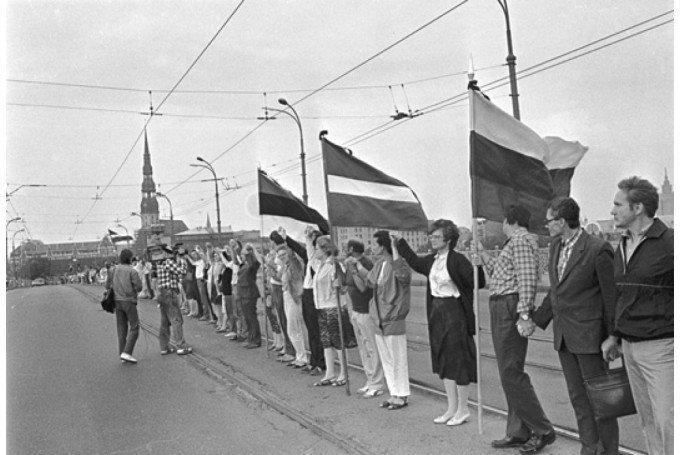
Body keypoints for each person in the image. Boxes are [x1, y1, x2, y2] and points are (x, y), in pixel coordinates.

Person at [532, 197, 619, 454]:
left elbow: (610, 297)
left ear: (561, 221)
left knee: (600, 402)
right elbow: (556, 293)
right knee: (579, 400)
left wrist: (613, 336)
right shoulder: (556, 247)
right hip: (565, 338)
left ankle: (609, 450)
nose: (545, 226)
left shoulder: (597, 248)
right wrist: (535, 320)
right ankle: (589, 448)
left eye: (548, 221)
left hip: (591, 339)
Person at [602, 176, 673, 455]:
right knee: (649, 422)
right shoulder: (622, 244)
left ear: (638, 208)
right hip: (629, 348)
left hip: (661, 348)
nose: (613, 211)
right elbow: (623, 296)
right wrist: (614, 335)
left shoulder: (669, 244)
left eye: (618, 204)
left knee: (670, 423)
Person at [478, 205, 555, 453]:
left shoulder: (520, 241)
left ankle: (542, 429)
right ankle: (518, 431)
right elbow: (501, 275)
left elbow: (527, 277)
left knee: (511, 372)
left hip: (508, 306)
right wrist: (482, 254)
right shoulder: (515, 244)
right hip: (503, 303)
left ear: (509, 221)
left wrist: (524, 313)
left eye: (502, 221)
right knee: (509, 370)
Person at [396, 219, 483, 426]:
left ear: (448, 239)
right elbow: (415, 262)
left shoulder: (457, 260)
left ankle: (463, 409)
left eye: (436, 236)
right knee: (443, 360)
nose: (432, 239)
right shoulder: (432, 261)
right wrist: (400, 243)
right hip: (436, 313)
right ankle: (451, 408)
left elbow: (477, 282)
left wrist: (477, 261)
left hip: (455, 315)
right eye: (431, 236)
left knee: (459, 361)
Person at [355, 230, 411, 410]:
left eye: (377, 244)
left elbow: (403, 277)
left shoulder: (399, 263)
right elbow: (370, 281)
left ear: (385, 245)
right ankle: (394, 393)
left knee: (397, 358)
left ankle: (402, 395)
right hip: (379, 317)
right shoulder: (379, 264)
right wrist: (356, 266)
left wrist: (395, 249)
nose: (373, 247)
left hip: (393, 316)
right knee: (387, 358)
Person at [311, 236, 356, 387]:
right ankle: (330, 373)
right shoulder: (320, 265)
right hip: (322, 307)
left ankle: (344, 373)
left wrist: (339, 283)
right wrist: (308, 238)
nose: (315, 251)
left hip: (334, 307)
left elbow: (343, 286)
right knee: (326, 342)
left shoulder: (334, 265)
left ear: (324, 249)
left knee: (338, 341)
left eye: (317, 248)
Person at [343, 239, 385, 398]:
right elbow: (346, 285)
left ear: (352, 249)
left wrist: (353, 269)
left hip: (366, 310)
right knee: (362, 347)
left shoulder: (365, 263)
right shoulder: (349, 263)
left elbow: (362, 287)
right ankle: (370, 379)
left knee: (371, 347)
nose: (344, 250)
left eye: (346, 248)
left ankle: (377, 382)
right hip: (355, 309)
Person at [282, 227, 327, 375]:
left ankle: (320, 363)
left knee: (316, 330)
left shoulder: (319, 262)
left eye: (317, 246)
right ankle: (314, 361)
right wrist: (286, 238)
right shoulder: (311, 259)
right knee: (311, 330)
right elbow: (300, 249)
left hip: (315, 294)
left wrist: (309, 239)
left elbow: (307, 250)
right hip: (307, 293)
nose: (314, 249)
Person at [106, 249, 143, 364]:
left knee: (121, 329)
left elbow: (107, 285)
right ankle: (127, 352)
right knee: (135, 326)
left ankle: (122, 353)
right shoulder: (132, 271)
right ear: (130, 258)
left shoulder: (113, 270)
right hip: (129, 301)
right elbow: (139, 287)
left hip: (117, 301)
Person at [156, 247, 193, 356]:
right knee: (176, 319)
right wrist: (183, 260)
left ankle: (164, 347)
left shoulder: (160, 263)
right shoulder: (168, 262)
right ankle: (181, 346)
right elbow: (183, 271)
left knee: (165, 322)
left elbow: (176, 277)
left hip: (162, 293)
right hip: (169, 293)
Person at [277, 245, 309, 367]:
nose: (282, 257)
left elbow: (296, 281)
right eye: (280, 256)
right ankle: (299, 355)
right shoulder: (286, 267)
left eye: (284, 255)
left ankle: (302, 356)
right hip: (286, 295)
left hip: (294, 297)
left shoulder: (294, 265)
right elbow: (279, 276)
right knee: (293, 329)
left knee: (293, 327)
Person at [268, 230, 296, 360]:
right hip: (275, 287)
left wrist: (271, 268)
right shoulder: (274, 253)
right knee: (281, 318)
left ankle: (290, 349)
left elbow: (281, 275)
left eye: (271, 241)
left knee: (285, 319)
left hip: (280, 287)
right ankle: (286, 345)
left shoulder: (280, 253)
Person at [236, 243, 262, 349]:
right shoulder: (244, 265)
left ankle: (256, 340)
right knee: (247, 318)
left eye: (244, 254)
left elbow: (256, 262)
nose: (242, 256)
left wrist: (251, 250)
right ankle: (250, 338)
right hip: (243, 294)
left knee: (251, 317)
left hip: (249, 294)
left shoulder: (252, 265)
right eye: (242, 254)